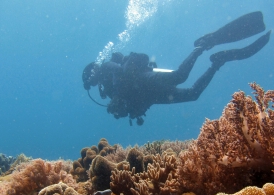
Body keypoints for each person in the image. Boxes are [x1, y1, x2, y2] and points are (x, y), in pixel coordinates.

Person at [82, 11, 271, 126]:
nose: (92, 81)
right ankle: (218, 62)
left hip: (141, 79)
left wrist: (116, 99)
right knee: (193, 94)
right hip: (148, 96)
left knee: (179, 76)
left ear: (93, 70)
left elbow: (124, 74)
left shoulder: (106, 66)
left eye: (90, 77)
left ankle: (203, 45)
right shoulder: (106, 88)